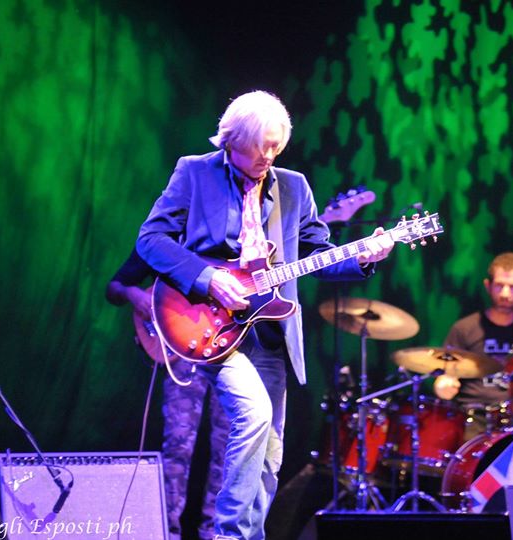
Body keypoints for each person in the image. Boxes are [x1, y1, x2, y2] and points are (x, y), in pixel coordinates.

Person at [135, 90, 395, 540]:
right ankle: (230, 535)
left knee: (270, 458)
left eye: (276, 146)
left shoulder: (293, 186)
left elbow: (318, 256)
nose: (268, 156)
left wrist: (363, 257)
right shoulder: (194, 172)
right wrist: (207, 279)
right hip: (209, 324)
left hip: (270, 334)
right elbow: (150, 240)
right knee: (253, 415)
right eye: (259, 147)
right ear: (232, 139)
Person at [106, 248, 230, 540]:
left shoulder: (236, 237)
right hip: (184, 353)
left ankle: (216, 532)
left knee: (229, 448)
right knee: (178, 443)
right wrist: (133, 294)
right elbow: (114, 287)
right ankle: (167, 530)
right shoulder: (166, 237)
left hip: (231, 348)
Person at [433, 252, 513, 439]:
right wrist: (443, 385)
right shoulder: (464, 328)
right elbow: (445, 374)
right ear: (488, 286)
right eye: (499, 285)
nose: (505, 294)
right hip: (472, 417)